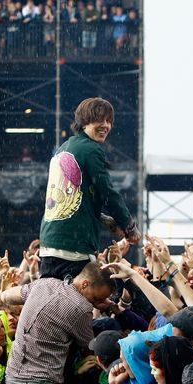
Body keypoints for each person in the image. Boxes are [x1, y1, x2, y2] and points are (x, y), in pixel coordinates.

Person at [39, 97, 141, 280]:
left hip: (49, 245)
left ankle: (5, 298)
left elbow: (73, 199)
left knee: (49, 298)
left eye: (109, 121)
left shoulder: (63, 149)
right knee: (89, 299)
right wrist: (129, 226)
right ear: (84, 121)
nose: (106, 126)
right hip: (74, 248)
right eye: (100, 120)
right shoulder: (90, 149)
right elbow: (108, 193)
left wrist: (103, 218)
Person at [0, 262, 116, 384]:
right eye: (96, 298)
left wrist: (1, 294)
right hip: (42, 380)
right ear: (85, 284)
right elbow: (90, 347)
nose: (96, 303)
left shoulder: (44, 283)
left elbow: (6, 297)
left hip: (11, 376)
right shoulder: (82, 308)